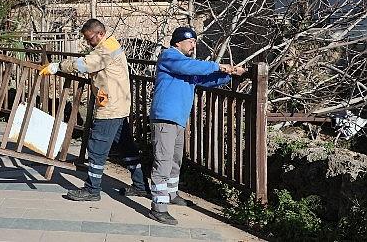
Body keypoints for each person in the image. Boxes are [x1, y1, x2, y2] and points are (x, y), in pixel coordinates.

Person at [40, 18, 149, 201]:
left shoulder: (105, 50)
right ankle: (140, 186)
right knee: (127, 147)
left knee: (97, 148)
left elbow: (85, 64)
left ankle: (92, 189)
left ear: (100, 34)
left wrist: (58, 66)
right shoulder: (111, 44)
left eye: (90, 38)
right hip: (118, 105)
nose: (88, 42)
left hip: (109, 108)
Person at [148, 26, 245, 225]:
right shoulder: (169, 56)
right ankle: (158, 207)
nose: (194, 44)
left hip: (178, 119)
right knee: (163, 162)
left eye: (194, 41)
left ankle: (172, 194)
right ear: (178, 43)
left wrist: (231, 74)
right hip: (165, 118)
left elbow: (203, 80)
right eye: (190, 41)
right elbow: (192, 68)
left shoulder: (187, 64)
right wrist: (219, 66)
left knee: (175, 160)